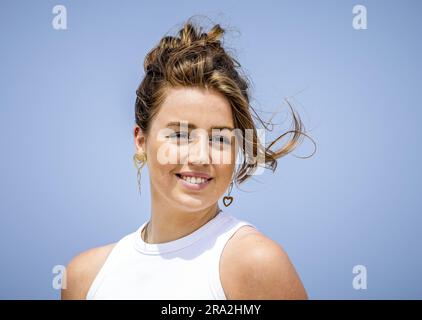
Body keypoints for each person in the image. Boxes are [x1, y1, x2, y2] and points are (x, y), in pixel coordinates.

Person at [62, 18, 311, 300]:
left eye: (220, 138)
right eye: (180, 135)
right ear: (141, 141)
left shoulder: (254, 263)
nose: (201, 156)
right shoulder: (84, 278)